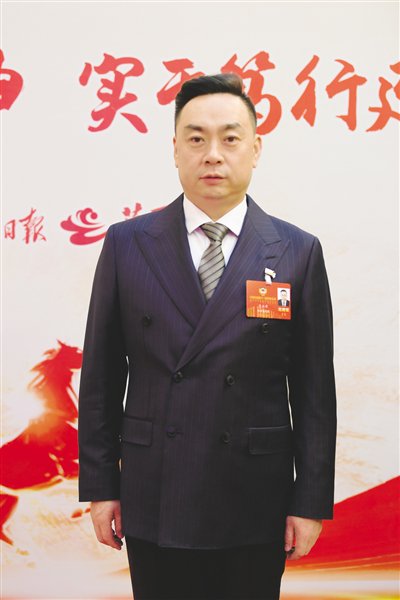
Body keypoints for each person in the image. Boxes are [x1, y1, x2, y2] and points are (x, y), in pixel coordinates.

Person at [78, 73, 337, 600]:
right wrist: (102, 487)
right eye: (196, 138)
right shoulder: (128, 245)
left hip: (255, 494)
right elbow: (102, 376)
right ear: (175, 149)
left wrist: (310, 501)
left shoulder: (296, 250)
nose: (213, 154)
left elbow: (314, 392)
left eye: (230, 138)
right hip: (156, 491)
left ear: (255, 149)